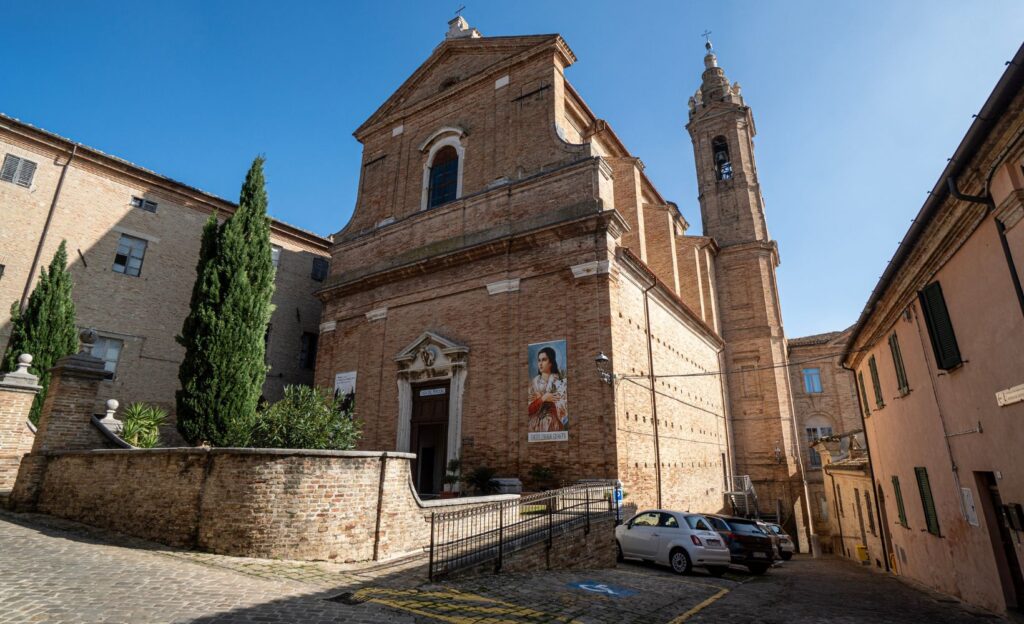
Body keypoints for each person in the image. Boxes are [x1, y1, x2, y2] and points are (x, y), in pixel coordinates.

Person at [528, 346, 567, 433]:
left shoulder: (559, 381)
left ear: (551, 362)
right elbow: (529, 409)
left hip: (553, 424)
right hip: (535, 425)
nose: (540, 363)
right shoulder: (534, 383)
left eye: (544, 360)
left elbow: (563, 407)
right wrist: (543, 398)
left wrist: (544, 400)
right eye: (539, 360)